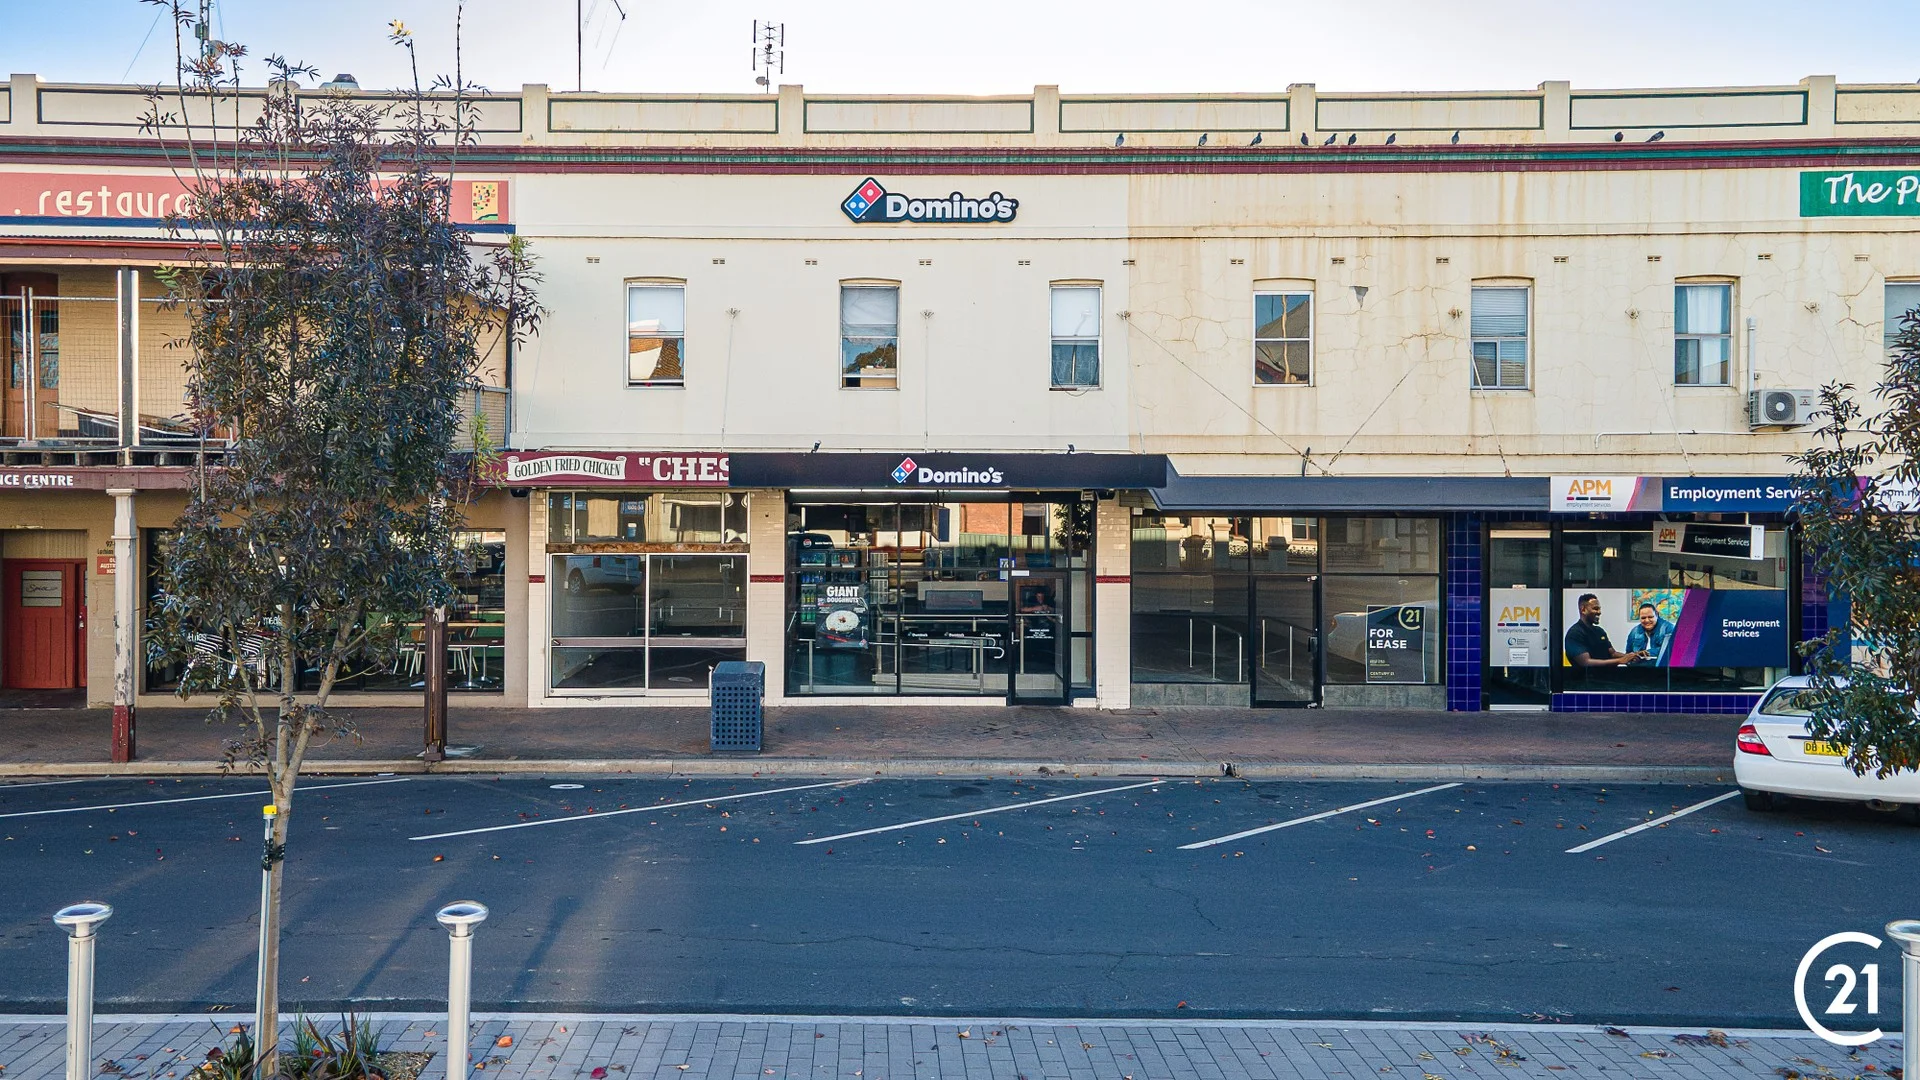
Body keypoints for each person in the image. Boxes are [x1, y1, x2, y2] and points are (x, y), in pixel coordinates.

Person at [1564, 593, 1647, 669]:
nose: (1599, 612)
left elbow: (1612, 653)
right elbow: (1586, 662)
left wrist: (1633, 655)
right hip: (1586, 679)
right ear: (1583, 610)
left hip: (1607, 676)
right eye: (1595, 609)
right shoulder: (1575, 633)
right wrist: (1620, 660)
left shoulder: (1599, 631)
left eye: (1599, 609)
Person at [1624, 602, 1674, 666]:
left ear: (1657, 615)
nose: (1647, 620)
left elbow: (1671, 651)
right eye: (1643, 618)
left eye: (1650, 617)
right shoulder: (1634, 631)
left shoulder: (1667, 628)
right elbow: (1628, 655)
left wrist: (1647, 653)